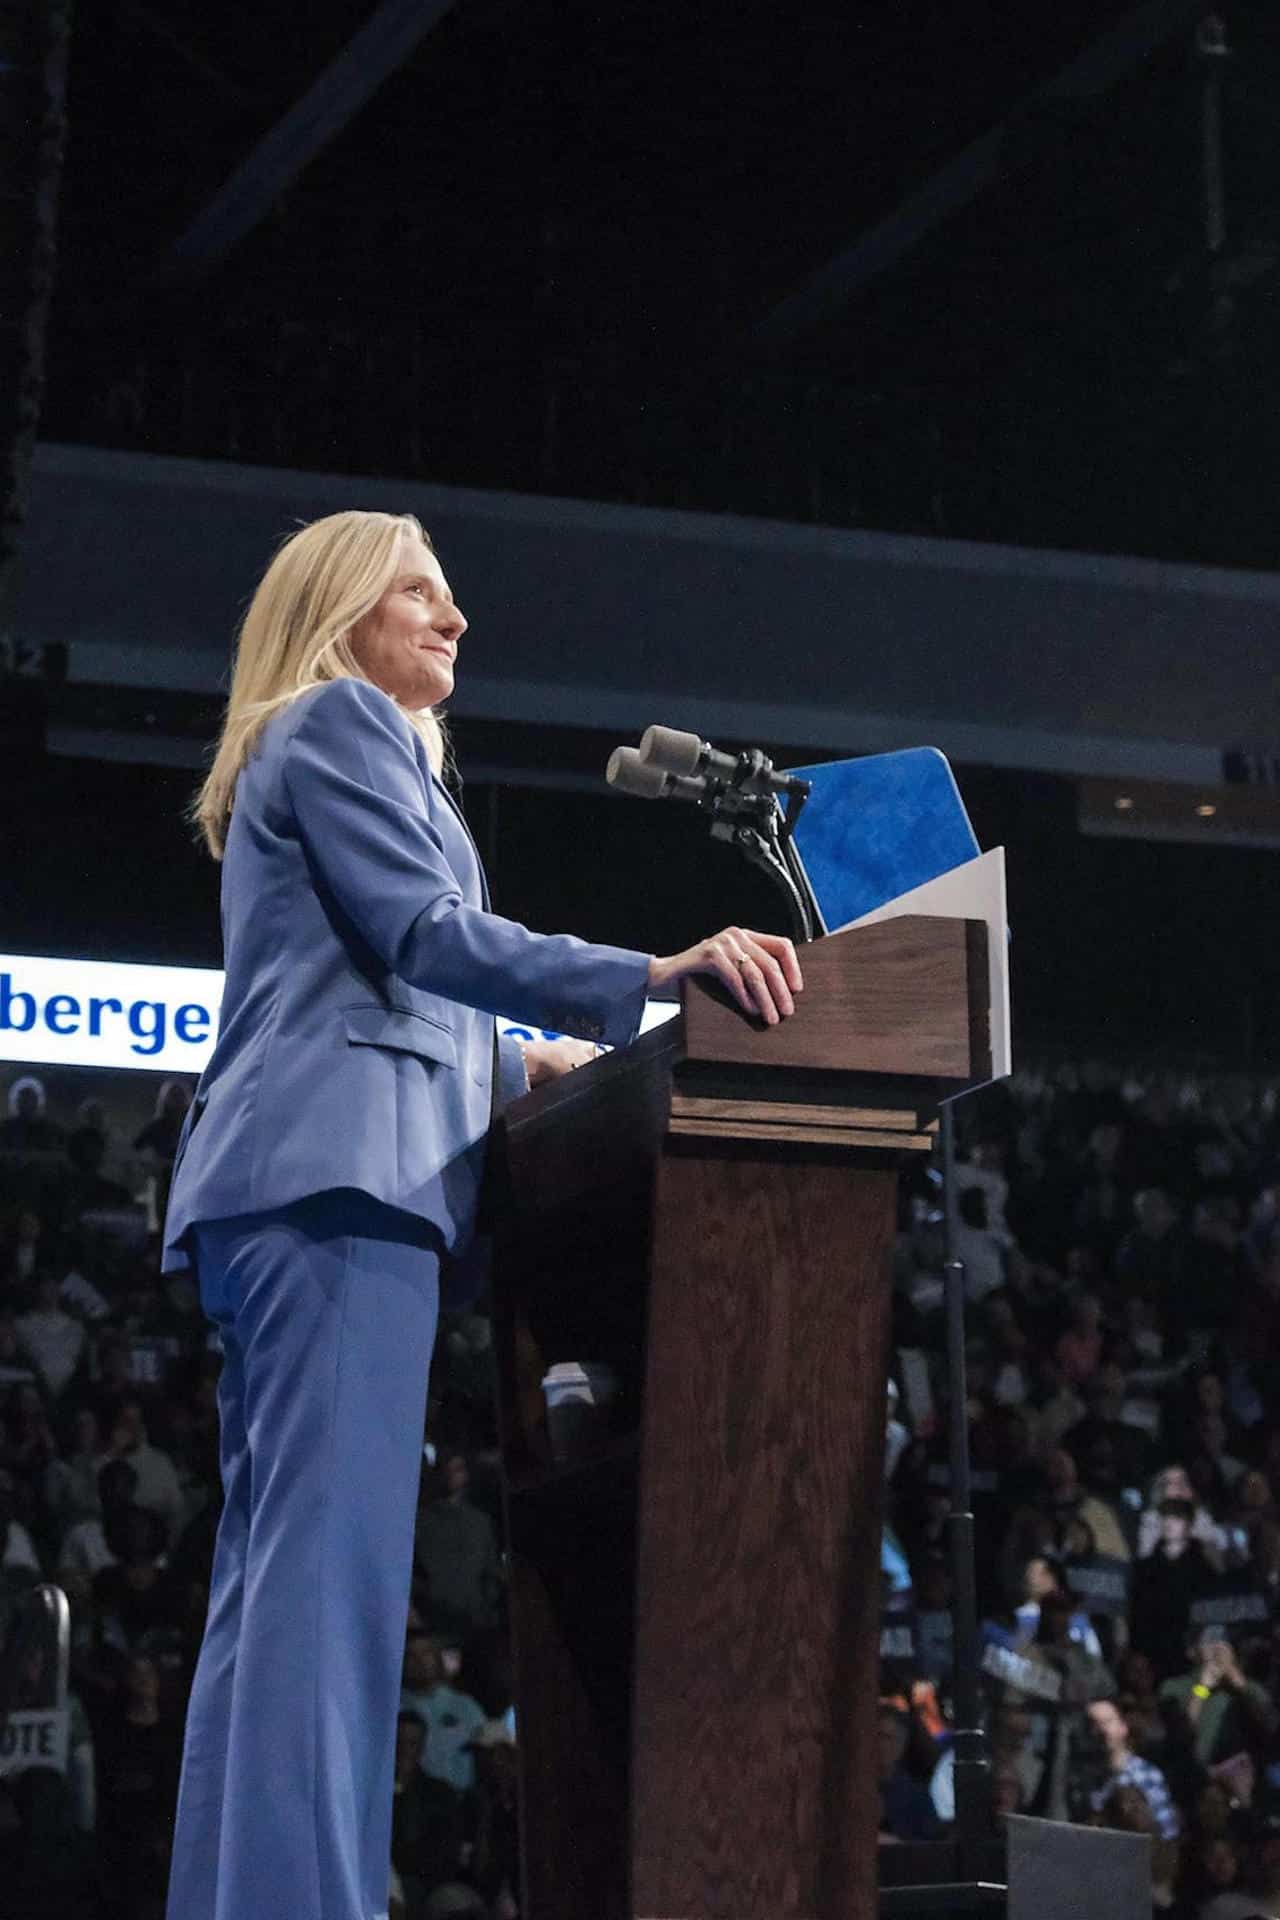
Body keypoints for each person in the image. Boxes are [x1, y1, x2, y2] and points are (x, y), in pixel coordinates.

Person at [160, 508, 802, 1920]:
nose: (455, 622)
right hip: (340, 1191)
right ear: (341, 608)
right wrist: (649, 972)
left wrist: (526, 1062)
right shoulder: (341, 723)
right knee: (321, 1605)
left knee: (276, 1601)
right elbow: (426, 937)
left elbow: (377, 981)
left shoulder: (336, 750)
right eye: (420, 593)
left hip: (302, 1188)